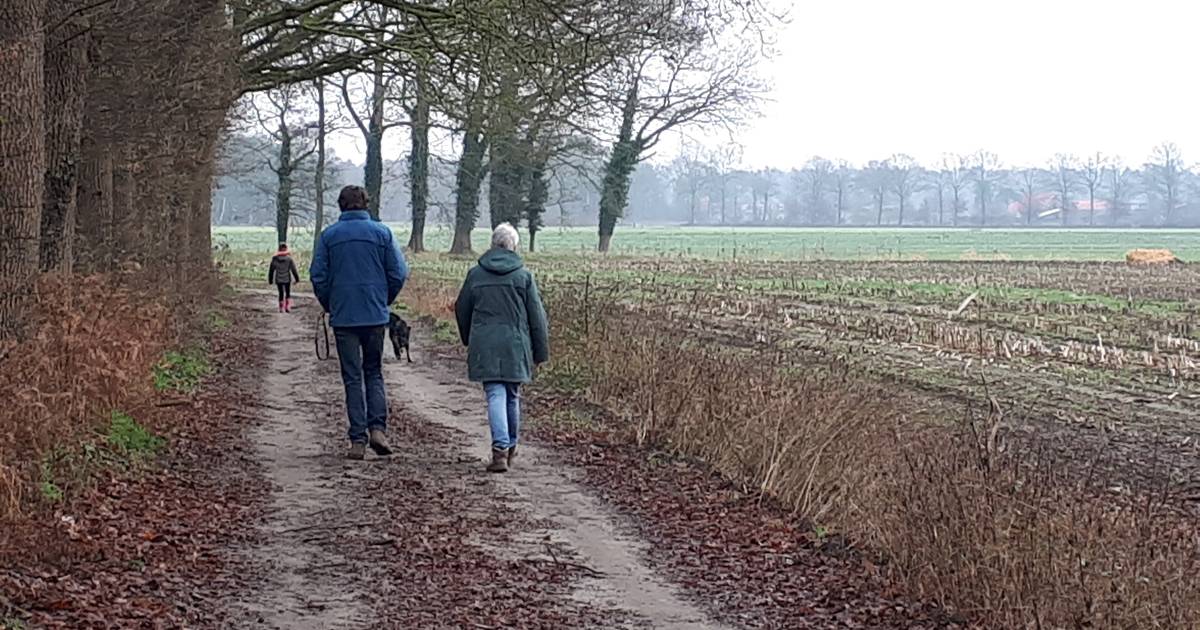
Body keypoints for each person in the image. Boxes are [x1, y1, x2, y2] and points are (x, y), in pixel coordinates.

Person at [309, 186, 409, 460]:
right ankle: (378, 429)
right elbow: (399, 273)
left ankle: (357, 439)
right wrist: (383, 299)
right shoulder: (382, 233)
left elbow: (317, 276)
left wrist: (331, 304)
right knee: (374, 372)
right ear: (366, 204)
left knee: (352, 377)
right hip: (375, 316)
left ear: (341, 205)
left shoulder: (329, 236)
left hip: (344, 317)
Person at [454, 223, 549, 473]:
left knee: (495, 393)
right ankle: (511, 447)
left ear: (493, 244)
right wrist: (540, 353)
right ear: (513, 246)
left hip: (485, 342)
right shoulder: (523, 276)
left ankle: (500, 451)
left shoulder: (475, 274)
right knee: (512, 394)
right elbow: (536, 317)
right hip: (515, 344)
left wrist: (468, 338)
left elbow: (461, 308)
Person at [267, 242, 300, 313]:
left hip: (278, 279)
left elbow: (271, 270)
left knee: (281, 293)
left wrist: (270, 280)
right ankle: (287, 307)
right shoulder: (289, 259)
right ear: (286, 249)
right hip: (287, 279)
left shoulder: (275, 259)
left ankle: (281, 308)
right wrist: (297, 279)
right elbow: (293, 270)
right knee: (288, 293)